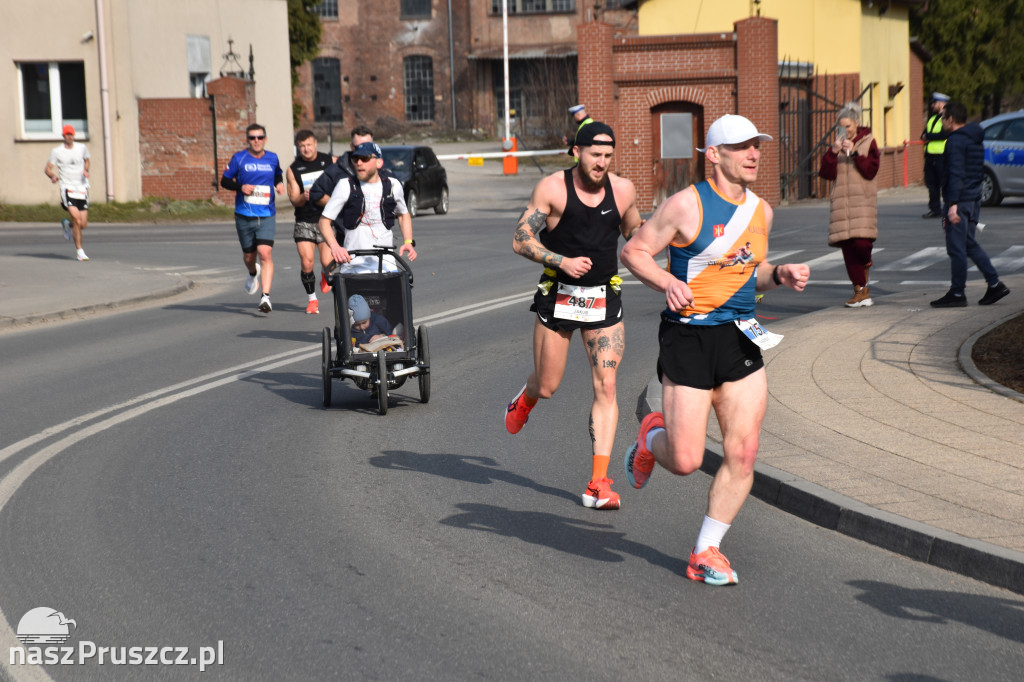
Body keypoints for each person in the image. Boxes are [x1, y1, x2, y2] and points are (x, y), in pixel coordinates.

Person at [619, 114, 810, 586]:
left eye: (757, 145)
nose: (754, 154)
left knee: (743, 452)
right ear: (714, 155)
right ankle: (648, 439)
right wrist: (667, 281)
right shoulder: (685, 206)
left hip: (740, 334)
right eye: (741, 146)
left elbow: (753, 269)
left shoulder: (762, 211)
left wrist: (779, 274)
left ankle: (706, 550)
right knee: (685, 461)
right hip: (688, 337)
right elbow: (635, 251)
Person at [504, 122, 643, 511]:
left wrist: (666, 236)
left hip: (603, 295)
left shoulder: (624, 190)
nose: (602, 162)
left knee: (608, 386)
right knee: (548, 385)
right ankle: (527, 398)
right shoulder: (552, 189)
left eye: (608, 156)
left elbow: (634, 230)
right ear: (577, 152)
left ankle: (598, 483)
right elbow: (521, 239)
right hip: (559, 295)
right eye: (595, 154)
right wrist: (561, 260)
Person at [930, 101, 1010, 308]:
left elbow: (956, 172)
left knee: (956, 247)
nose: (941, 121)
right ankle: (994, 284)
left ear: (951, 119)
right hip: (973, 197)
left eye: (943, 117)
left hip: (960, 199)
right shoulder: (974, 137)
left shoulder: (955, 141)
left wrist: (952, 204)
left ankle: (957, 293)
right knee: (968, 243)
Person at [317, 141, 416, 275]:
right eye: (355, 159)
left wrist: (408, 241)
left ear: (378, 163)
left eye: (364, 159)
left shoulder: (393, 185)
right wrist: (334, 247)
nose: (359, 163)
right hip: (353, 267)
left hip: (385, 265)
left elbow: (403, 214)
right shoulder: (345, 186)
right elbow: (324, 221)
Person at [819, 101, 880, 308]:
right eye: (842, 127)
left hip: (862, 201)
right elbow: (826, 173)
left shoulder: (868, 142)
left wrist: (854, 153)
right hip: (841, 203)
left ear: (856, 123)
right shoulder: (836, 145)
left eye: (848, 126)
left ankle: (867, 263)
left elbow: (871, 170)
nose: (845, 130)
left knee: (862, 244)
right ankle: (860, 291)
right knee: (847, 246)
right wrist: (833, 152)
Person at [220, 123, 285, 313]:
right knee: (250, 256)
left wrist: (279, 184)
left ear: (265, 139)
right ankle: (252, 273)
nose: (256, 141)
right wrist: (240, 187)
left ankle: (265, 297)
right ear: (247, 140)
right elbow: (224, 180)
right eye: (252, 138)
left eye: (259, 137)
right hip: (244, 214)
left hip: (266, 215)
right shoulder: (239, 158)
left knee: (265, 253)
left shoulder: (272, 158)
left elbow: (277, 174)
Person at [286, 129, 336, 315]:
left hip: (325, 218)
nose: (306, 149)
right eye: (302, 146)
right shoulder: (293, 169)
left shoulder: (329, 161)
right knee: (307, 262)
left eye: (309, 145)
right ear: (298, 148)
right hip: (304, 220)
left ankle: (325, 274)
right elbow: (294, 199)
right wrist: (304, 197)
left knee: (327, 261)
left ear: (315, 143)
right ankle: (312, 299)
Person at [44, 125, 91, 261]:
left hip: (82, 187)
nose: (69, 136)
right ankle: (80, 251)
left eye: (71, 134)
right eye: (67, 134)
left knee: (82, 224)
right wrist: (52, 176)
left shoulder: (82, 148)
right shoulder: (57, 151)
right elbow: (47, 169)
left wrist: (86, 170)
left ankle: (67, 225)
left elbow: (87, 161)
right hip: (67, 188)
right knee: (76, 218)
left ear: (74, 135)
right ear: (63, 136)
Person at [309, 125, 374, 210]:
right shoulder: (336, 170)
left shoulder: (380, 169)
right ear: (351, 146)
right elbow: (315, 193)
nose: (362, 150)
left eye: (366, 146)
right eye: (358, 147)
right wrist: (340, 207)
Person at [921, 92, 949, 219]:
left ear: (943, 104)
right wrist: (926, 136)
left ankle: (949, 208)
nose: (932, 105)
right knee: (931, 184)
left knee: (945, 184)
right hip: (930, 156)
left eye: (935, 103)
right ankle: (935, 209)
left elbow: (944, 135)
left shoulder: (947, 118)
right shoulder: (932, 118)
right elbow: (923, 134)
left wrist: (928, 137)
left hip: (941, 156)